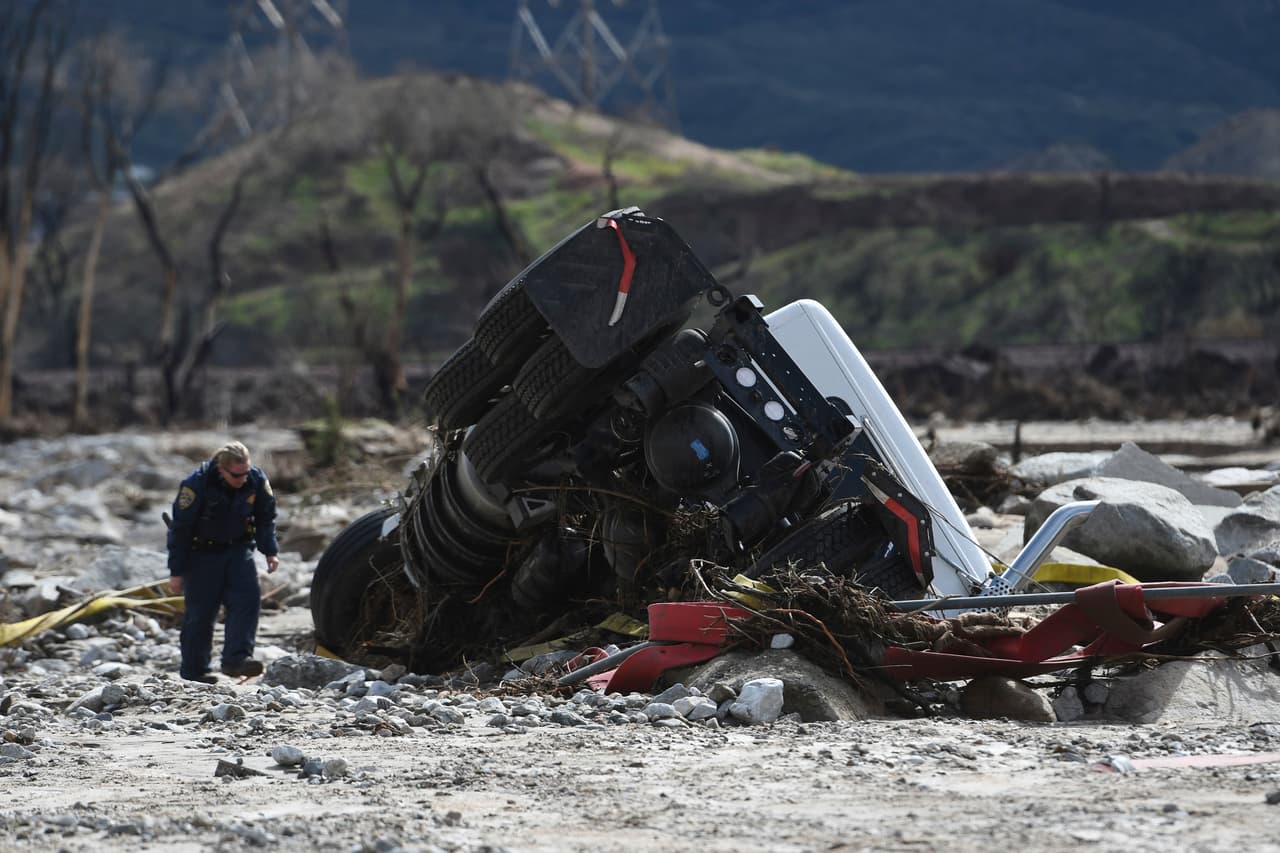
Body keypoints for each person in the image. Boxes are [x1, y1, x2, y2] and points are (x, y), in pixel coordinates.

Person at [167, 440, 279, 683]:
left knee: (247, 601)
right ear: (221, 468)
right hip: (201, 556)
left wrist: (270, 551)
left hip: (239, 550)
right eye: (236, 475)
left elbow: (265, 517)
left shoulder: (256, 481)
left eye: (245, 473)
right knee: (201, 614)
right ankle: (195, 672)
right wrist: (176, 571)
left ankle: (236, 660)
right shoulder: (196, 484)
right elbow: (180, 530)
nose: (242, 479)